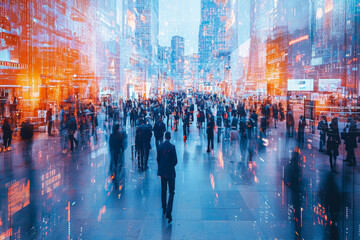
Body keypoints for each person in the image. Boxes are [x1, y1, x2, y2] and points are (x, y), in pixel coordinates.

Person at [157, 132, 177, 223]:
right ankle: (169, 210)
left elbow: (158, 159)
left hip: (163, 172)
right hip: (170, 173)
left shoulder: (160, 147)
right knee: (171, 191)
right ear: (170, 137)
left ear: (165, 137)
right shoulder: (172, 147)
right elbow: (175, 161)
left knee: (163, 190)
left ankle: (164, 207)